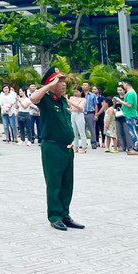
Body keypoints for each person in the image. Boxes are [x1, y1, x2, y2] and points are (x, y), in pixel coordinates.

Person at [30, 67, 84, 231]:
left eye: (63, 81)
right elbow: (33, 97)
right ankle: (55, 216)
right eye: (59, 81)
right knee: (54, 183)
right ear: (51, 83)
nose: (63, 84)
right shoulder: (47, 100)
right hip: (52, 147)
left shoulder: (62, 100)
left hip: (67, 149)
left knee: (67, 184)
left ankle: (65, 215)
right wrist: (48, 85)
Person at [115, 80, 138, 155]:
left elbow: (129, 104)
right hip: (129, 114)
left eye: (123, 84)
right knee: (132, 132)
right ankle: (136, 148)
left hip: (130, 114)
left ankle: (135, 149)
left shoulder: (130, 93)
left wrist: (120, 101)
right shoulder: (131, 92)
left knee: (132, 132)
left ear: (126, 84)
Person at [68, 85, 87, 153]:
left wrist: (71, 103)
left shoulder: (83, 99)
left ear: (81, 92)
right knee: (74, 131)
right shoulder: (72, 98)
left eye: (77, 92)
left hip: (79, 114)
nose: (75, 93)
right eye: (75, 91)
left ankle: (84, 147)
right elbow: (69, 106)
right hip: (73, 114)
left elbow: (80, 107)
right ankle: (75, 146)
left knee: (81, 131)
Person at [83, 82, 98, 150]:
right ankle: (83, 143)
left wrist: (96, 114)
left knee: (92, 129)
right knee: (82, 129)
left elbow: (95, 105)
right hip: (82, 113)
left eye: (86, 85)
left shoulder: (93, 95)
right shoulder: (81, 95)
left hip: (90, 113)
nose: (84, 86)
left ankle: (93, 143)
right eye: (83, 85)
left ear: (89, 87)